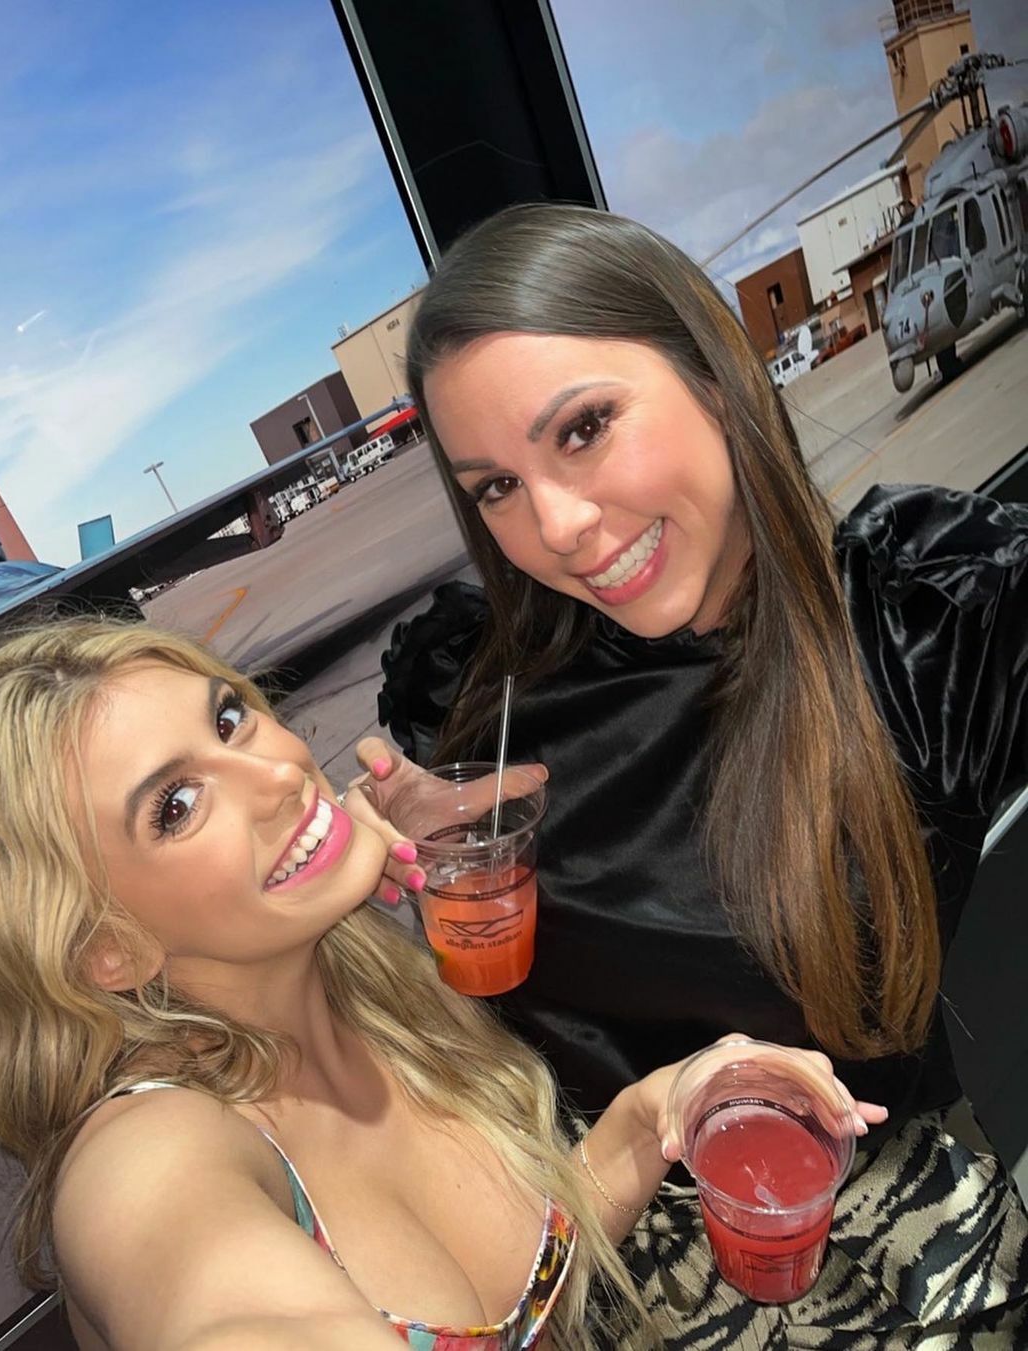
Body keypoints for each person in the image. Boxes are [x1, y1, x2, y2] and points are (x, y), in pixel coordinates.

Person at [372, 202, 1028, 1343]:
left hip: (882, 1257)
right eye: (496, 487)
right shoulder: (470, 684)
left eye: (584, 429)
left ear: (713, 375)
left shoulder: (921, 628)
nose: (558, 527)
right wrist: (391, 888)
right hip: (585, 1256)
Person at [0, 616, 880, 1350]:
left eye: (229, 718)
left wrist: (652, 1113)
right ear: (107, 950)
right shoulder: (143, 1157)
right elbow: (220, 1304)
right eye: (177, 805)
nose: (277, 771)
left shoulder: (378, 988)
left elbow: (530, 1294)